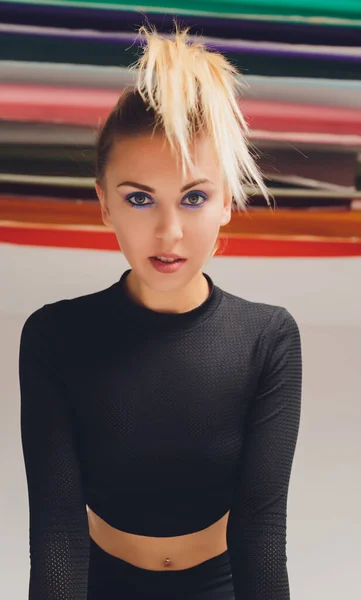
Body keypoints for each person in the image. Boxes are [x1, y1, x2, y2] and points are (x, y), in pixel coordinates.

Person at [18, 24, 302, 600]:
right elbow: (57, 535)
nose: (168, 232)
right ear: (104, 203)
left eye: (194, 197)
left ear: (227, 201)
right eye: (139, 198)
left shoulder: (267, 337)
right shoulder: (55, 335)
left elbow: (262, 533)